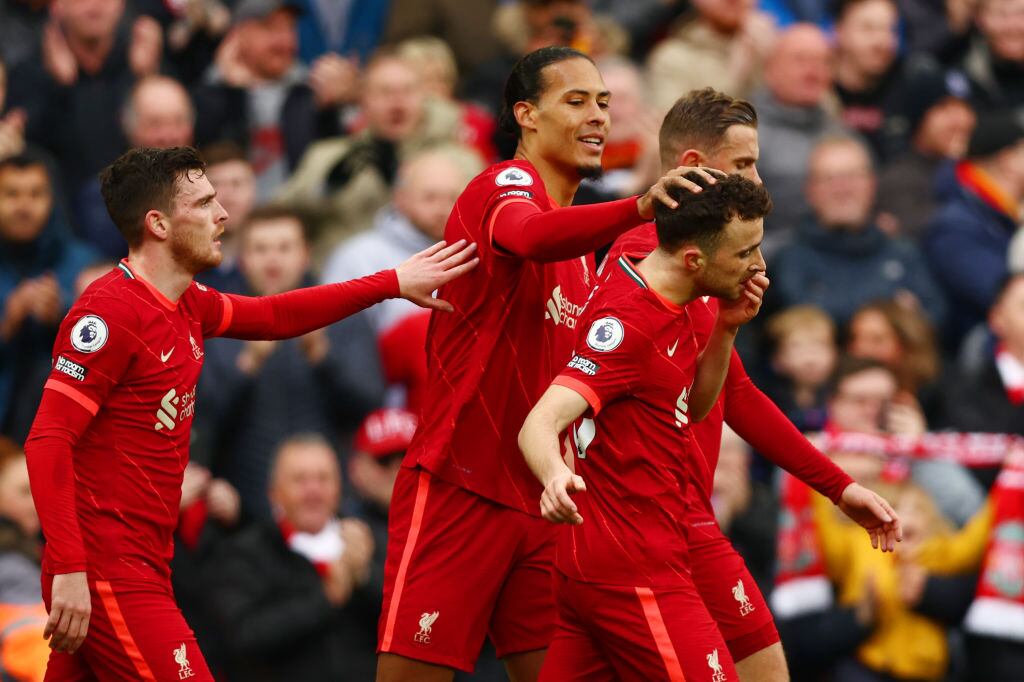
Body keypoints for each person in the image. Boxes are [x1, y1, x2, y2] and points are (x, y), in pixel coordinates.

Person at [22, 145, 477, 680]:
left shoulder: (187, 302)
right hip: (107, 565)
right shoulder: (108, 313)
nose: (224, 215)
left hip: (142, 556)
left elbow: (277, 313)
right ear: (159, 224)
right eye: (205, 203)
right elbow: (47, 438)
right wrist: (74, 568)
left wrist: (391, 283)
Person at [377, 46, 710, 681]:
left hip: (547, 499)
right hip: (460, 485)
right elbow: (527, 237)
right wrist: (638, 208)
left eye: (605, 104)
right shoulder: (500, 187)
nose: (598, 118)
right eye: (576, 101)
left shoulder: (584, 255)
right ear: (526, 115)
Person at [519, 175, 899, 680]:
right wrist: (553, 475)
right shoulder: (630, 323)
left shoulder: (682, 297)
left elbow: (696, 407)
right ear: (695, 259)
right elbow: (540, 421)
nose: (758, 266)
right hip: (636, 567)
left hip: (617, 559)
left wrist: (725, 330)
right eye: (745, 253)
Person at [601, 87, 903, 681]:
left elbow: (734, 395)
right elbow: (575, 395)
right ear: (691, 169)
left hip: (674, 519)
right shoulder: (651, 266)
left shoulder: (699, 263)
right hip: (652, 527)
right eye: (742, 165)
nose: (757, 178)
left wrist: (839, 488)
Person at [195, 205, 389, 519]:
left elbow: (370, 405)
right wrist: (247, 365)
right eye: (260, 249)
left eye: (285, 248)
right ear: (242, 259)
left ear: (306, 254)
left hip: (335, 507)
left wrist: (322, 359)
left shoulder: (343, 314)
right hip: (243, 512)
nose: (273, 259)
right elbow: (201, 419)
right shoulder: (214, 319)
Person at [322, 145, 482, 410]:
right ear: (400, 198)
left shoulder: (480, 256)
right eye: (430, 198)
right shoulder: (357, 257)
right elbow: (342, 347)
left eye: (452, 197)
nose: (443, 208)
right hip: (380, 410)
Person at [209, 434, 379, 682]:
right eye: (300, 480)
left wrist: (365, 575)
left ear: (339, 487)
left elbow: (407, 628)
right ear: (274, 493)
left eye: (323, 478)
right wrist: (327, 597)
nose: (314, 490)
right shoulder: (245, 554)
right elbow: (243, 637)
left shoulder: (367, 541)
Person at [771, 134, 948, 326]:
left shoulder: (905, 254)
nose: (842, 189)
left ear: (872, 185)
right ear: (810, 191)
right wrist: (895, 312)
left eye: (852, 177)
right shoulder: (789, 259)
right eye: (829, 179)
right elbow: (802, 319)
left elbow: (935, 318)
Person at [0, 154, 98, 443]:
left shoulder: (85, 265)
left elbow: (109, 350)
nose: (24, 207)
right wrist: (8, 323)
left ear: (52, 199)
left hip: (67, 428)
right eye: (11, 194)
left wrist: (63, 316)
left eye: (35, 194)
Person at [924, 109, 1024, 348]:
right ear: (1007, 159)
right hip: (981, 354)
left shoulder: (1004, 214)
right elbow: (1000, 296)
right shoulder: (955, 227)